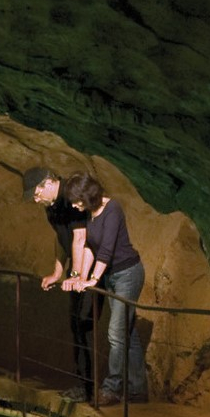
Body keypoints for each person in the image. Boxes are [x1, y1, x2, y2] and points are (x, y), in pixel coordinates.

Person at [64, 172, 148, 404]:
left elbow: (107, 249)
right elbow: (91, 247)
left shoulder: (113, 209)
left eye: (76, 200)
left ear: (86, 196)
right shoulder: (92, 214)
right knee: (126, 333)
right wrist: (83, 276)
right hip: (112, 276)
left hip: (128, 274)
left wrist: (93, 279)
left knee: (115, 333)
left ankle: (111, 389)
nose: (73, 205)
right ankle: (138, 390)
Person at [22, 167, 96, 402]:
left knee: (83, 324)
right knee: (76, 324)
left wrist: (75, 274)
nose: (35, 200)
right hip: (77, 271)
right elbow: (61, 238)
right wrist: (57, 272)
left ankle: (89, 387)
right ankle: (84, 384)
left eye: (36, 194)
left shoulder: (70, 196)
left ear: (47, 184)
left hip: (91, 269)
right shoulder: (51, 207)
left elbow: (80, 238)